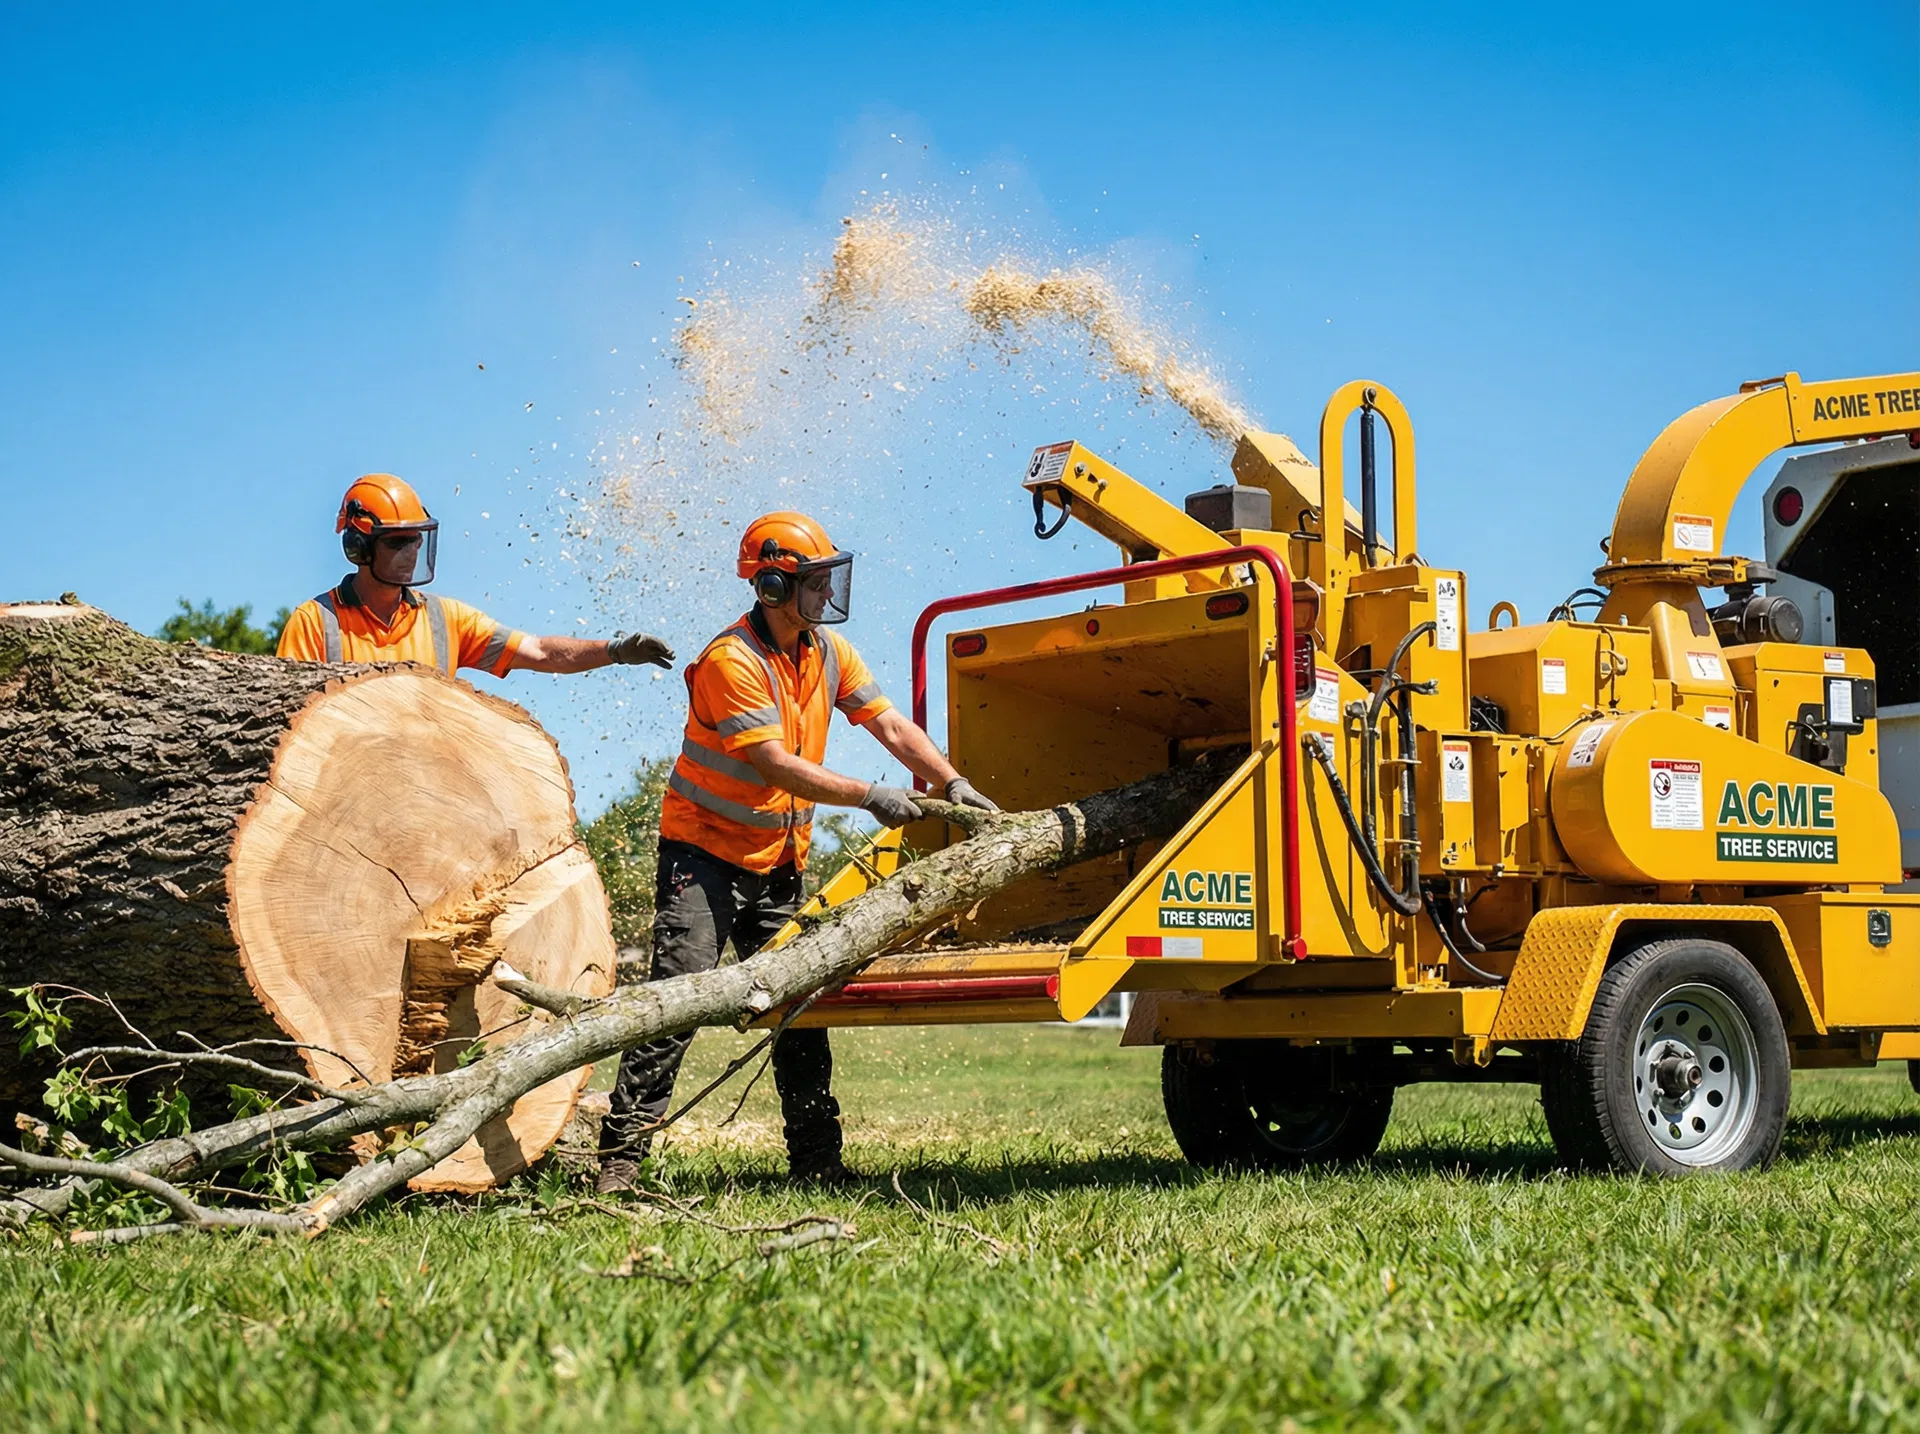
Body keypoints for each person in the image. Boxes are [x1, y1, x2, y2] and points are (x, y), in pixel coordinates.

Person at [596, 510, 998, 1192]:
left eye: (827, 580)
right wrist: (869, 795)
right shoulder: (732, 661)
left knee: (800, 1009)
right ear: (774, 586)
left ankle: (817, 1160)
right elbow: (774, 765)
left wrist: (951, 781)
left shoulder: (828, 653)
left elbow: (890, 723)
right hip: (704, 859)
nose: (825, 594)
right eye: (812, 582)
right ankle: (621, 1160)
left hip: (779, 859)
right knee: (677, 999)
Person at [277, 474, 674, 677]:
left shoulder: (443, 620)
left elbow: (538, 651)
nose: (411, 552)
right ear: (358, 547)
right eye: (397, 542)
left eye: (416, 540)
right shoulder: (316, 624)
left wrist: (616, 650)